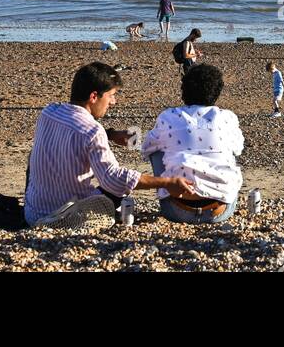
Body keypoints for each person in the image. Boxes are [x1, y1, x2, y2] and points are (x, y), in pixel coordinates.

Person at [24, 62, 194, 227]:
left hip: (32, 213)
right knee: (118, 190)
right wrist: (166, 182)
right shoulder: (92, 131)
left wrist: (111, 134)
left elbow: (73, 132)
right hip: (63, 217)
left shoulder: (49, 111)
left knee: (33, 156)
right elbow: (113, 178)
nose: (113, 102)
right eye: (111, 95)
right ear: (93, 97)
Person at [141, 63, 245, 224]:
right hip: (220, 210)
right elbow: (238, 149)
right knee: (228, 148)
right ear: (217, 92)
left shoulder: (168, 116)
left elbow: (146, 148)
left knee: (156, 148)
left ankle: (169, 188)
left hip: (175, 209)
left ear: (184, 90)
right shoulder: (227, 117)